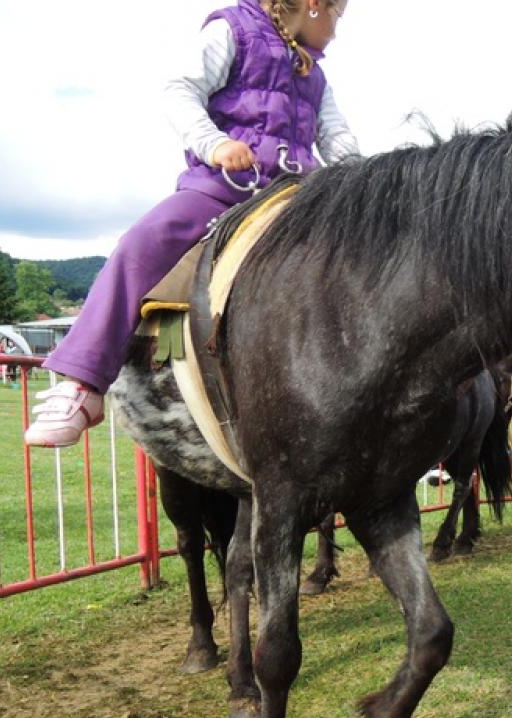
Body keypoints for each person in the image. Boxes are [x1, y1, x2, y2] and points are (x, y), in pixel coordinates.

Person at [25, 0, 358, 447]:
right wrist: (215, 143)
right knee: (142, 244)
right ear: (315, 5)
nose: (336, 32)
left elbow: (336, 136)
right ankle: (82, 384)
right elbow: (180, 90)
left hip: (299, 201)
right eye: (338, 16)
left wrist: (362, 181)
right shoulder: (233, 30)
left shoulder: (314, 75)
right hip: (224, 188)